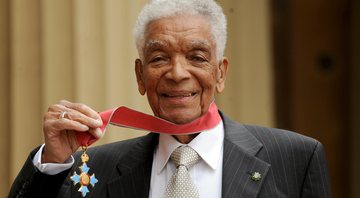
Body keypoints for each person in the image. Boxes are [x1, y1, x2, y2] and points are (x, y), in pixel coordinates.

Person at [8, 0, 331, 197]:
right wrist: (52, 163)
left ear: (220, 73)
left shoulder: (295, 160)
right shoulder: (94, 170)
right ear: (140, 75)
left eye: (197, 57)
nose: (177, 73)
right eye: (160, 58)